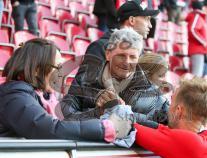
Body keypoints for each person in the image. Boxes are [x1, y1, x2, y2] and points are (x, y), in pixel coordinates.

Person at [0, 38, 133, 141]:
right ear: (36, 70)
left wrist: (99, 112)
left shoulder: (44, 96)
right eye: (58, 67)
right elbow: (49, 129)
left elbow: (67, 122)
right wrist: (106, 128)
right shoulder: (14, 96)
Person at [61, 28, 169, 128]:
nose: (127, 62)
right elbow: (67, 116)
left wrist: (120, 112)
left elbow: (161, 125)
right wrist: (99, 112)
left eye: (132, 57)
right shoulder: (84, 80)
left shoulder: (153, 93)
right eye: (121, 56)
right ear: (108, 54)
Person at [135, 77, 207, 158]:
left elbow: (130, 128)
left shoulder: (187, 142)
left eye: (171, 100)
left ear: (179, 111)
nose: (168, 107)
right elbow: (161, 129)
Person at [86, 0, 159, 61]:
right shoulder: (100, 47)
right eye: (146, 19)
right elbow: (85, 78)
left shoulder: (139, 51)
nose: (150, 25)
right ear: (131, 20)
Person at [186, 1, 207, 77]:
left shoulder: (199, 17)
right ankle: (193, 89)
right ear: (202, 7)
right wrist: (203, 42)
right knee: (196, 75)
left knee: (198, 75)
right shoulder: (197, 16)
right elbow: (192, 30)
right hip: (197, 49)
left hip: (200, 50)